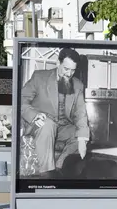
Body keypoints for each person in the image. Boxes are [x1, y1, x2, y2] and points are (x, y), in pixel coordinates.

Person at [21, 47, 90, 178]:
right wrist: (34, 115)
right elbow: (21, 101)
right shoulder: (39, 77)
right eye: (66, 69)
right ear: (58, 63)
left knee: (83, 134)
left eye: (73, 70)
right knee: (48, 125)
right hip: (40, 125)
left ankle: (58, 166)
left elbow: (80, 113)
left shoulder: (78, 85)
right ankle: (46, 172)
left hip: (62, 128)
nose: (69, 74)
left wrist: (82, 139)